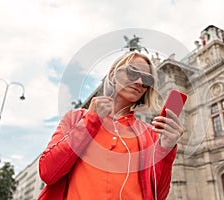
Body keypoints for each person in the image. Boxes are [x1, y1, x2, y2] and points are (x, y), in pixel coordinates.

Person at [38, 51, 184, 200]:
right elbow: (47, 172)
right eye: (132, 72)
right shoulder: (76, 118)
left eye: (147, 79)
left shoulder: (150, 134)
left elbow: (157, 195)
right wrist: (90, 121)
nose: (140, 82)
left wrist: (166, 148)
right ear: (113, 74)